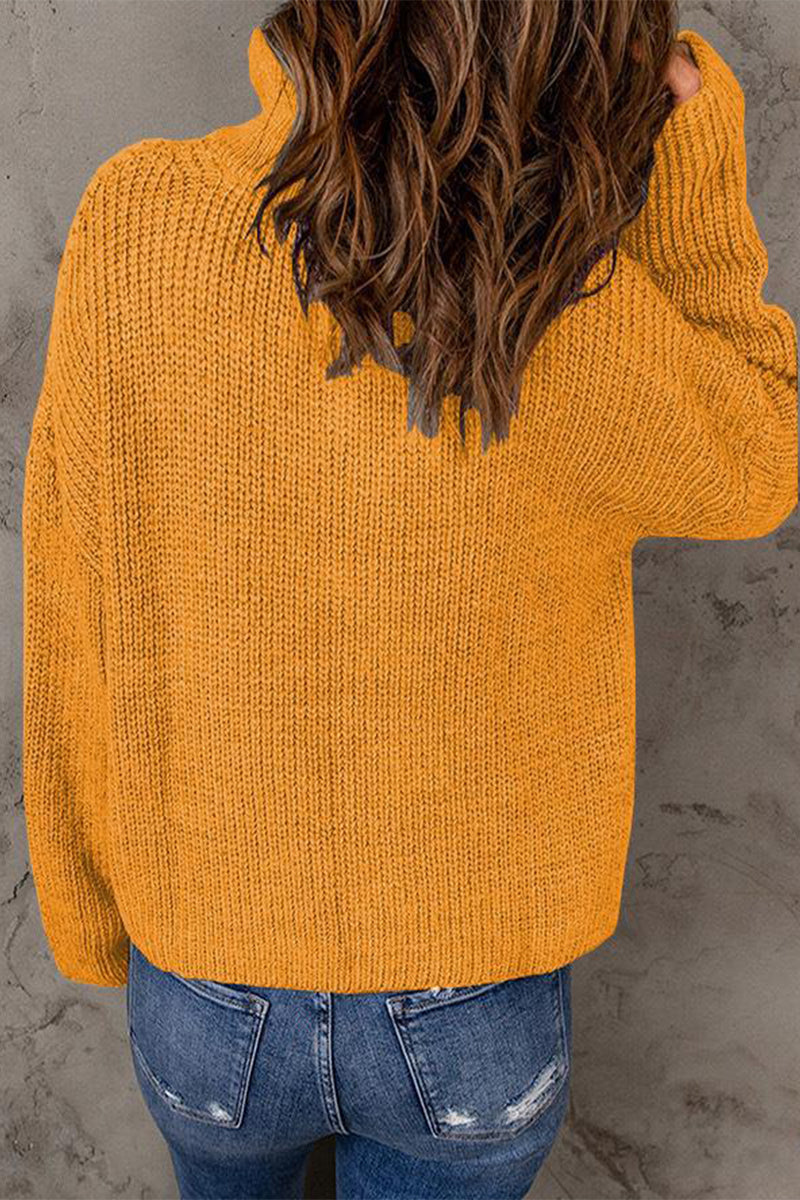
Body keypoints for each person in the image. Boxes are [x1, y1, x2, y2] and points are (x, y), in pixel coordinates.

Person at [20, 1, 797, 1198]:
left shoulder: (140, 219)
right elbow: (758, 457)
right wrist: (688, 135)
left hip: (205, 982)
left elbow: (72, 588)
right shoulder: (563, 296)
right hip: (471, 1008)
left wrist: (83, 907)